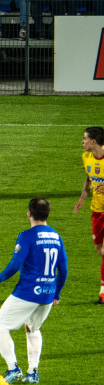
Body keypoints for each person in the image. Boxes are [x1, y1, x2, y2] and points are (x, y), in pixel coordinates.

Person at [0, 198, 68, 384]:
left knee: (0, 326)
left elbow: (16, 264)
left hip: (28, 291)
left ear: (29, 213)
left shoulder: (27, 236)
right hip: (48, 292)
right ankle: (33, 372)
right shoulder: (56, 236)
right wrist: (56, 293)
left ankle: (12, 367)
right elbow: (64, 269)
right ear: (48, 214)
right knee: (33, 327)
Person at [74, 126, 104, 304]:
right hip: (97, 210)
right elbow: (89, 178)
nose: (82, 141)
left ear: (94, 142)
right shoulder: (86, 157)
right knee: (100, 250)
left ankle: (102, 292)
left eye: (84, 139)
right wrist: (82, 198)